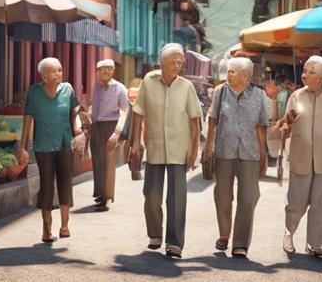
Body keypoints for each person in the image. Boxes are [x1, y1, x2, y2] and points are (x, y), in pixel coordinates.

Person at [128, 43, 202, 259]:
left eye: (181, 62)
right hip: (155, 147)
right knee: (151, 194)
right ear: (162, 62)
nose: (178, 65)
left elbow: (195, 123)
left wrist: (193, 152)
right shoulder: (149, 82)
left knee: (177, 198)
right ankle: (155, 234)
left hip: (180, 148)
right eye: (174, 61)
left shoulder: (187, 86)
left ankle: (174, 243)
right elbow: (138, 112)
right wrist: (135, 143)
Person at [278, 56, 322, 258]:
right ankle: (289, 233)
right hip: (301, 155)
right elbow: (284, 125)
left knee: (321, 203)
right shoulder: (296, 96)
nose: (305, 75)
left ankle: (314, 244)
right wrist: (286, 124)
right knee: (297, 202)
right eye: (304, 71)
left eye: (310, 72)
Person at [204, 57, 270, 258]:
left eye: (233, 71)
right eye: (229, 71)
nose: (229, 74)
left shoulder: (259, 96)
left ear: (246, 77)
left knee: (248, 198)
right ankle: (224, 234)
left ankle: (240, 243)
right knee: (222, 196)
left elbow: (262, 128)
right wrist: (208, 146)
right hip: (224, 150)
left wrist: (263, 155)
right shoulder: (220, 92)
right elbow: (213, 120)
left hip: (250, 152)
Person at [17, 57, 82, 243]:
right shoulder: (34, 92)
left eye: (60, 70)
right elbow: (28, 120)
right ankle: (47, 227)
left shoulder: (68, 89)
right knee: (46, 185)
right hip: (43, 145)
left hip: (65, 142)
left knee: (65, 182)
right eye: (53, 71)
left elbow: (75, 112)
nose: (58, 74)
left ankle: (65, 225)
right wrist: (23, 147)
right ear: (43, 75)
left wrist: (79, 130)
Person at [83, 59, 128, 211]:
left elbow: (125, 112)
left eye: (109, 69)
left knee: (108, 164)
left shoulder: (120, 88)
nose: (106, 72)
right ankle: (100, 194)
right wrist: (88, 121)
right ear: (97, 72)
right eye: (102, 70)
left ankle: (107, 198)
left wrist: (117, 133)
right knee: (97, 163)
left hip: (111, 127)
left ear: (113, 71)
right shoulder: (96, 86)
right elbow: (92, 105)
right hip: (96, 127)